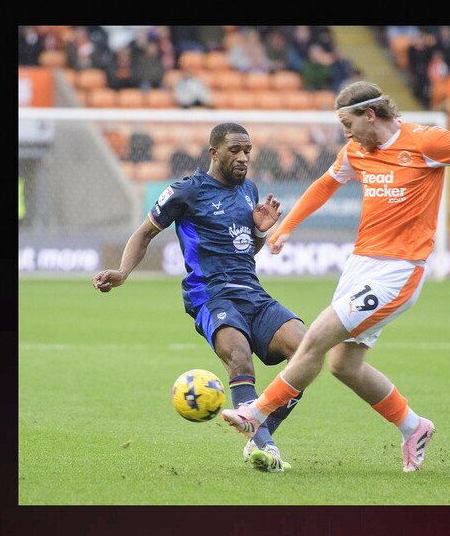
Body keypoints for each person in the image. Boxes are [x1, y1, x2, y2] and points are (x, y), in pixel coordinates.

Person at [220, 81, 450, 472]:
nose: (345, 131)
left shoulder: (427, 142)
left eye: (348, 122)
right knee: (344, 365)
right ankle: (414, 427)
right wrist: (287, 226)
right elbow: (326, 184)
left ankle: (255, 414)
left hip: (399, 271)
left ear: (370, 115)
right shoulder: (357, 150)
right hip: (360, 266)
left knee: (316, 338)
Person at [93, 123, 307, 473]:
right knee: (239, 357)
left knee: (305, 350)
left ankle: (257, 430)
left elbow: (246, 252)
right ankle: (264, 444)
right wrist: (122, 272)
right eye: (235, 150)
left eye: (247, 151)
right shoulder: (186, 191)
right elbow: (144, 233)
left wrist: (258, 232)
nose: (243, 157)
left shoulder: (249, 190)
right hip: (210, 295)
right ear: (214, 153)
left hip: (251, 292)